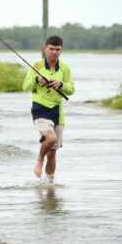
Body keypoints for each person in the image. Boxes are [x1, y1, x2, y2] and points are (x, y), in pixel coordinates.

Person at [23, 36, 75, 182]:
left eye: (57, 49)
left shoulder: (65, 68)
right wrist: (37, 80)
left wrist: (60, 84)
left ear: (61, 50)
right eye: (51, 49)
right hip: (40, 108)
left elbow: (71, 89)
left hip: (57, 111)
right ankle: (39, 159)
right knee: (51, 138)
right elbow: (25, 86)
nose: (54, 52)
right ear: (45, 48)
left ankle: (49, 185)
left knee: (52, 153)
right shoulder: (36, 65)